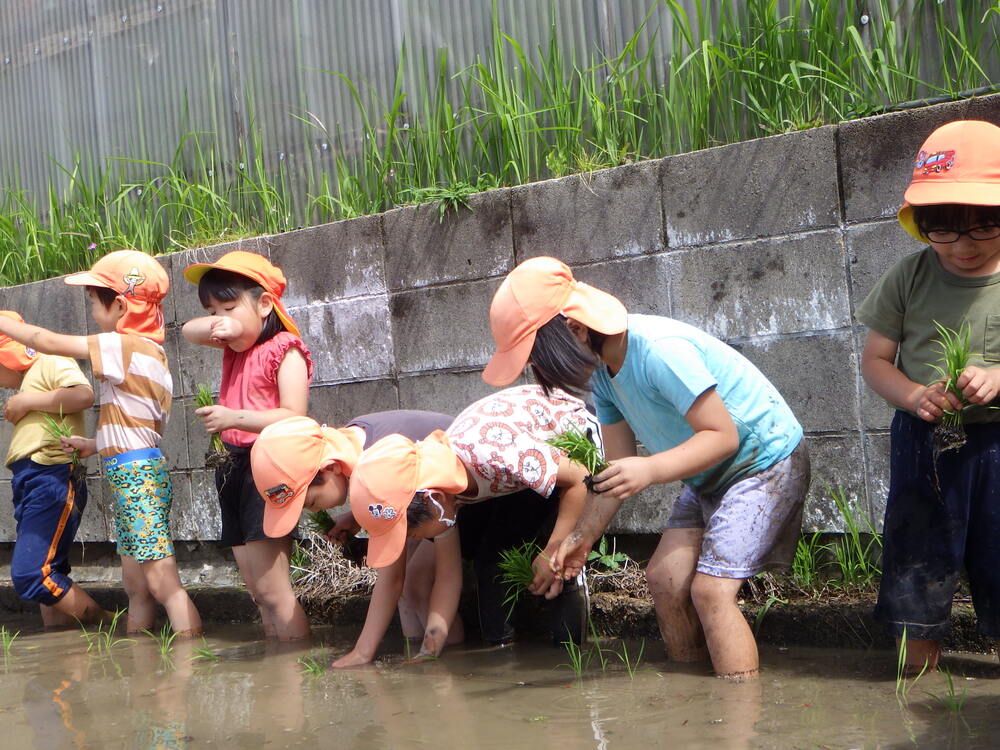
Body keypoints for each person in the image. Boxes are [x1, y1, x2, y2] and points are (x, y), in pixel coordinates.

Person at [483, 256, 809, 679]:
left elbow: (721, 436)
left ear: (575, 330)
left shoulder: (659, 351)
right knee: (665, 579)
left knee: (711, 592)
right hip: (709, 473)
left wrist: (651, 469)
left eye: (541, 358)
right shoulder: (604, 373)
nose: (547, 373)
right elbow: (616, 467)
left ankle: (738, 714)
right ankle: (688, 694)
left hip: (763, 462)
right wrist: (579, 539)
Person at [856, 120, 1000, 673]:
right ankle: (913, 677)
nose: (963, 246)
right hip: (924, 442)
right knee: (918, 561)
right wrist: (915, 395)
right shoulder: (909, 277)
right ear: (923, 227)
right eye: (945, 230)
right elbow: (874, 360)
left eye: (984, 228)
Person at [0, 251, 202, 635]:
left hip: (137, 476)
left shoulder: (124, 346)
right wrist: (94, 444)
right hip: (133, 471)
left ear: (121, 306)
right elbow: (138, 425)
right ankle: (141, 655)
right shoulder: (148, 354)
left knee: (163, 584)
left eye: (94, 301)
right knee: (136, 586)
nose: (92, 310)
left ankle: (190, 661)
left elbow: (48, 341)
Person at [339, 384, 599, 667]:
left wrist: (553, 548)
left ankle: (576, 663)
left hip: (573, 436)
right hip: (522, 473)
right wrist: (429, 650)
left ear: (434, 502)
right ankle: (504, 653)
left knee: (567, 566)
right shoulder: (441, 489)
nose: (412, 541)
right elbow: (448, 578)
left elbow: (579, 478)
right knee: (490, 563)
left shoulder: (492, 455)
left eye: (411, 534)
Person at [181, 250, 312, 640]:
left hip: (267, 464)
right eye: (212, 309)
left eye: (229, 306)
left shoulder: (285, 349)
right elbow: (188, 330)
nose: (219, 319)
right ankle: (279, 672)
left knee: (273, 588)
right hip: (233, 465)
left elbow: (295, 415)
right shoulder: (233, 346)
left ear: (266, 304)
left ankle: (295, 671)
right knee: (256, 592)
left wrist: (234, 418)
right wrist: (227, 324)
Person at [250, 410, 458, 648]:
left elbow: (391, 578)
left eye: (310, 503)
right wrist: (356, 518)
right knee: (409, 589)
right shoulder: (351, 443)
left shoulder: (379, 464)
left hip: (462, 502)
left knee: (416, 584)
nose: (315, 511)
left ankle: (445, 661)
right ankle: (418, 656)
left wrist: (361, 653)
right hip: (429, 506)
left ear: (330, 468)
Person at [0, 311, 109, 628]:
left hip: (51, 476)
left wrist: (27, 402)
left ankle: (105, 622)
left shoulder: (49, 361)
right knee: (49, 571)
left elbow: (83, 395)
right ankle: (59, 642)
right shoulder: (29, 381)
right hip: (31, 480)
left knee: (31, 574)